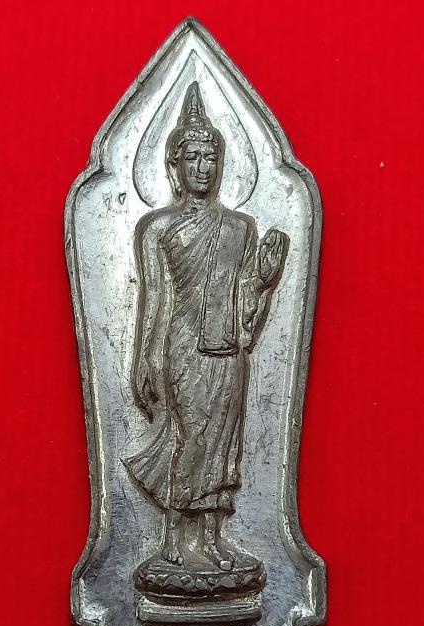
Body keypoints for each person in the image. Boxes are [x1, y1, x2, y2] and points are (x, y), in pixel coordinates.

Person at [124, 82, 288, 572]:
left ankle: (213, 538)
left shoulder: (239, 228)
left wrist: (263, 278)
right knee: (191, 438)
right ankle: (175, 536)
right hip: (182, 348)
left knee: (224, 444)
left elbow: (244, 302)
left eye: (211, 158)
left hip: (228, 351)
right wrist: (145, 361)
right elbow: (154, 300)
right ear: (174, 165)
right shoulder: (156, 228)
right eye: (192, 158)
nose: (202, 167)